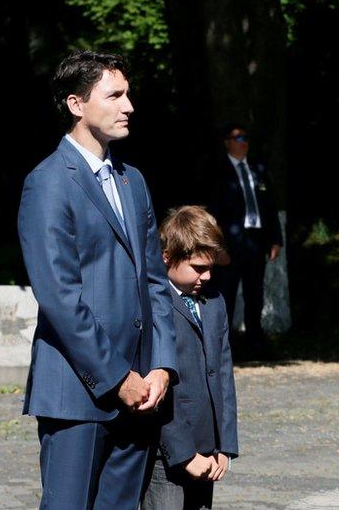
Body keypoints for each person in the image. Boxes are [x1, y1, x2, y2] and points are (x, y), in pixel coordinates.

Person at [18, 50, 177, 508]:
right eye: (115, 95)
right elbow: (59, 297)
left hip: (142, 391)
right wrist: (115, 377)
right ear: (76, 104)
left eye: (129, 94)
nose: (129, 106)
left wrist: (162, 364)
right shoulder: (48, 182)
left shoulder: (134, 181)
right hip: (77, 392)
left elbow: (154, 281)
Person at [142, 205, 238, 510]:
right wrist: (183, 453)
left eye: (210, 267)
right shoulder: (150, 304)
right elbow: (153, 389)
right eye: (198, 268)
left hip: (208, 448)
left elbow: (223, 375)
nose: (207, 276)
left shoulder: (214, 303)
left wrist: (225, 446)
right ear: (167, 257)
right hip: (166, 452)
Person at [207, 123, 283, 359]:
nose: (243, 142)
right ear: (227, 143)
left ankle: (255, 345)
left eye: (246, 138)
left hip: (256, 241)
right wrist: (217, 246)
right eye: (238, 138)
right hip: (230, 243)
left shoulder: (258, 169)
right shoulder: (218, 172)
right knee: (226, 294)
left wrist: (275, 239)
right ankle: (224, 348)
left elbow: (269, 206)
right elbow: (212, 211)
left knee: (255, 295)